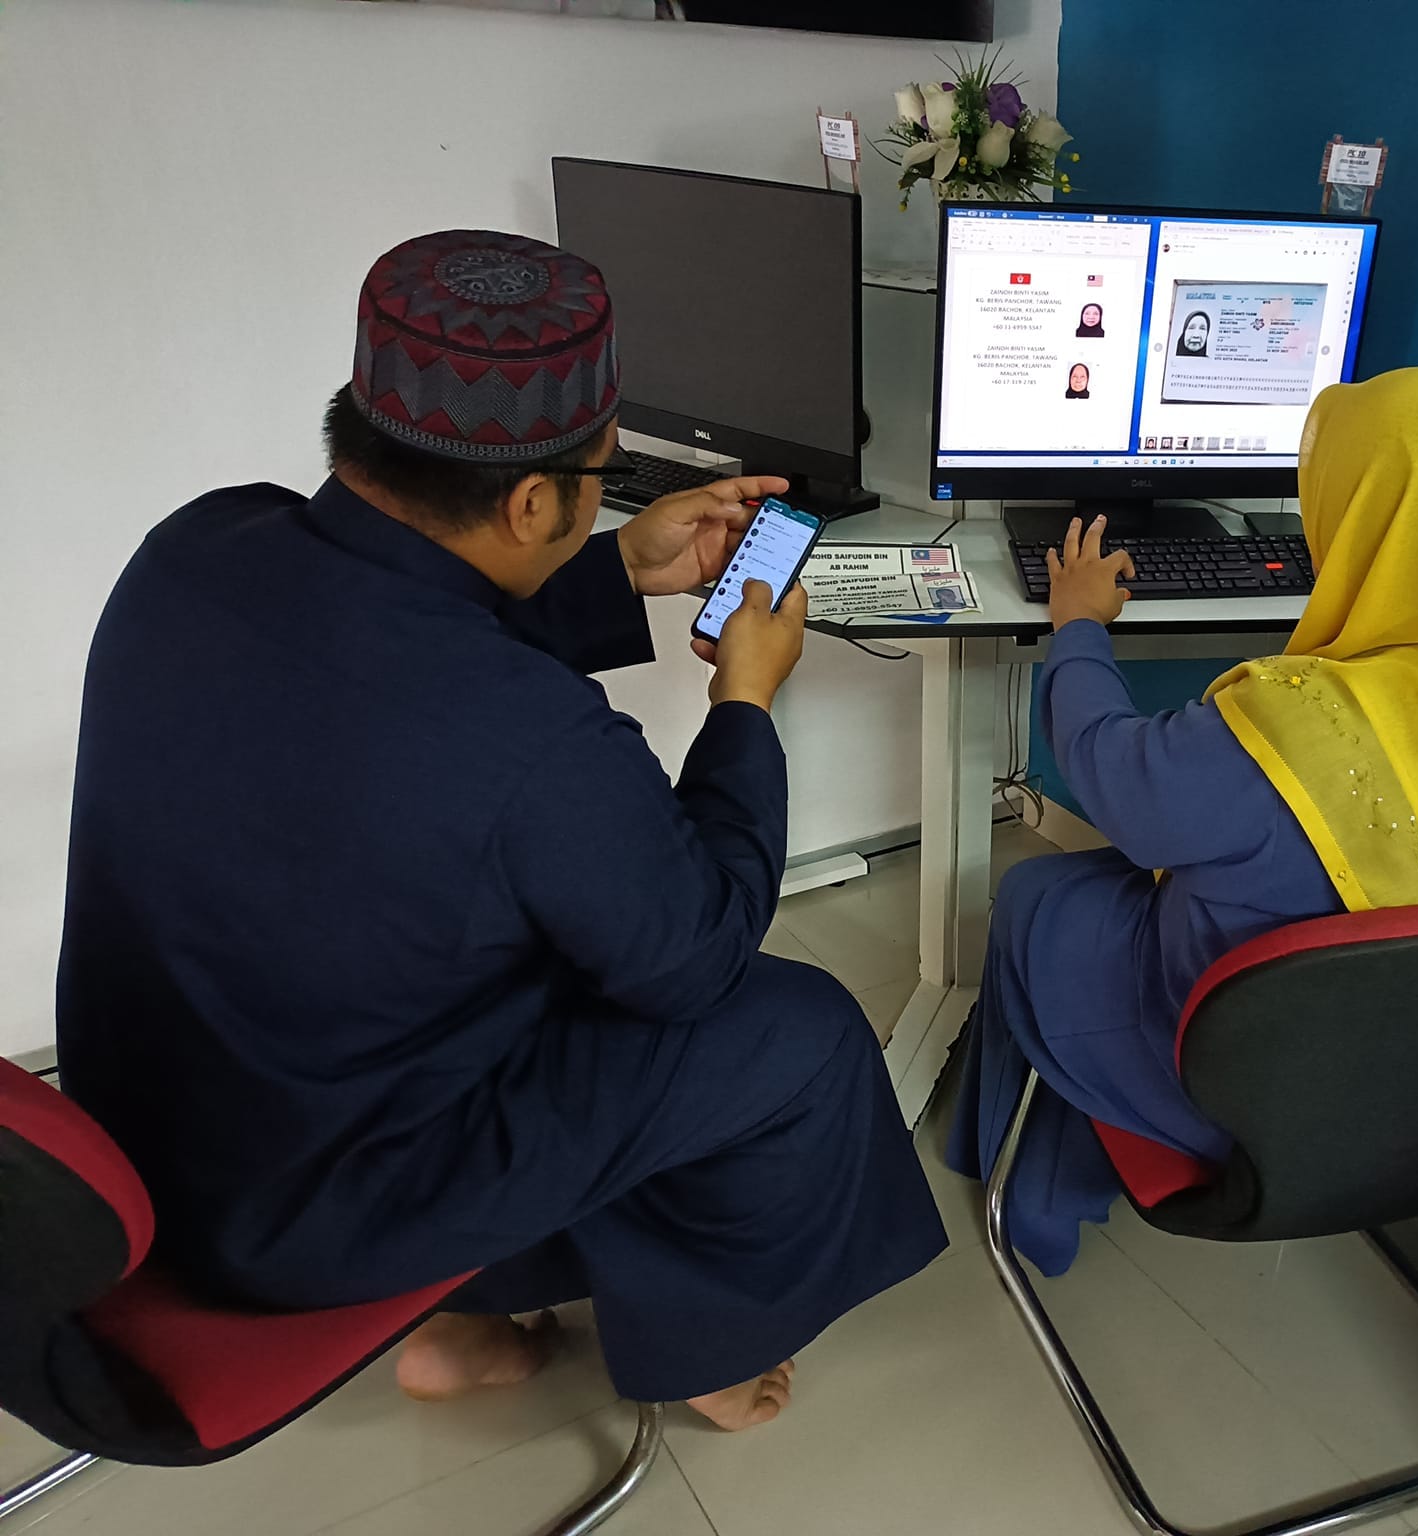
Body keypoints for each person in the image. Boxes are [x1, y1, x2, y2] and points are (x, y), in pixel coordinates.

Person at [56, 230, 946, 1427]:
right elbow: (694, 957)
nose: (601, 495)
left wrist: (614, 565)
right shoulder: (533, 738)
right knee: (794, 1033)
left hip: (135, 1154)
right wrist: (745, 698)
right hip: (307, 1220)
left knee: (500, 945)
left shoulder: (202, 543)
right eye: (599, 478)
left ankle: (458, 1328)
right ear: (533, 500)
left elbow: (394, 650)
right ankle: (710, 1345)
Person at [946, 367, 1418, 1274]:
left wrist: (1079, 627)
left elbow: (1111, 775)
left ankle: (1035, 1202)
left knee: (1039, 894)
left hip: (1255, 1093)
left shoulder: (1307, 724)